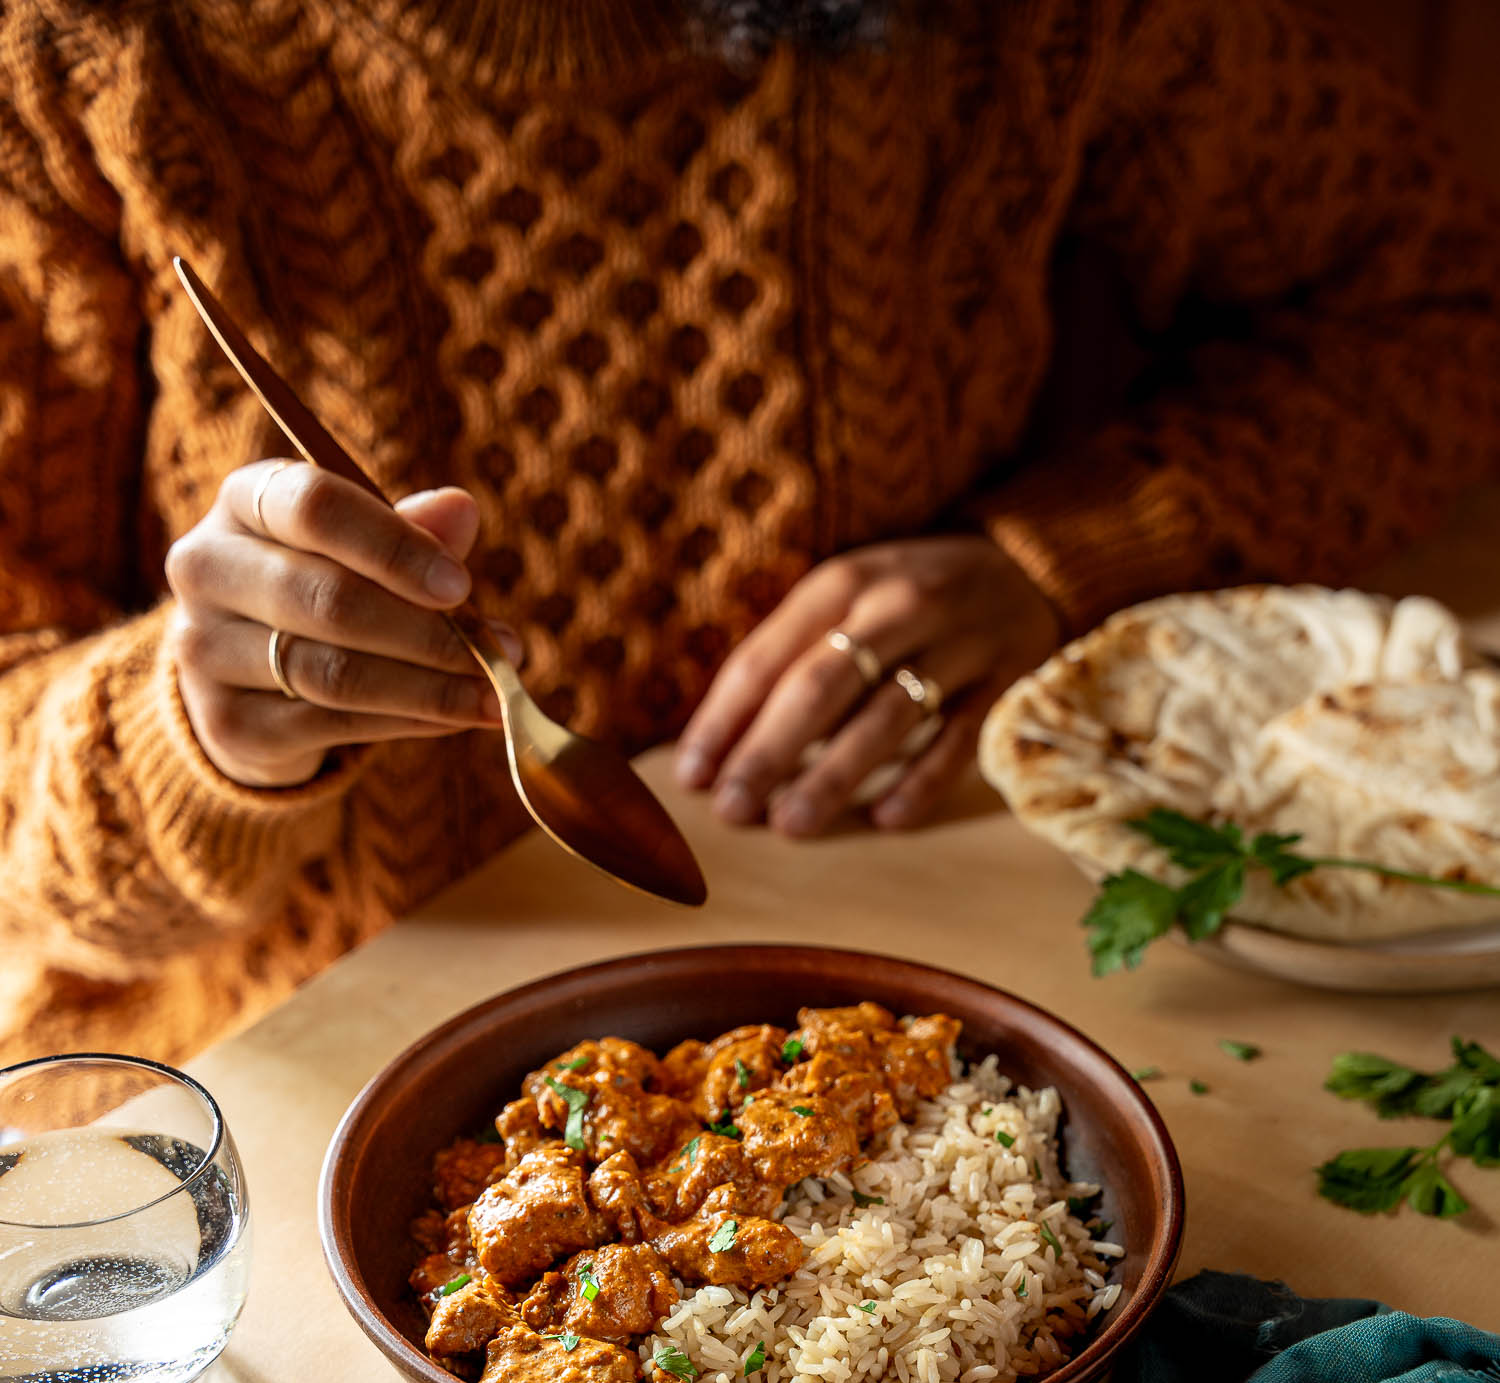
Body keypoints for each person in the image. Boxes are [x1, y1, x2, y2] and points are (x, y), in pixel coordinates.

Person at [1, 0, 1497, 1067]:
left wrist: (1061, 563)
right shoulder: (88, 55)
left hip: (928, 957)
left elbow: (1440, 312)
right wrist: (196, 729)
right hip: (294, 1067)